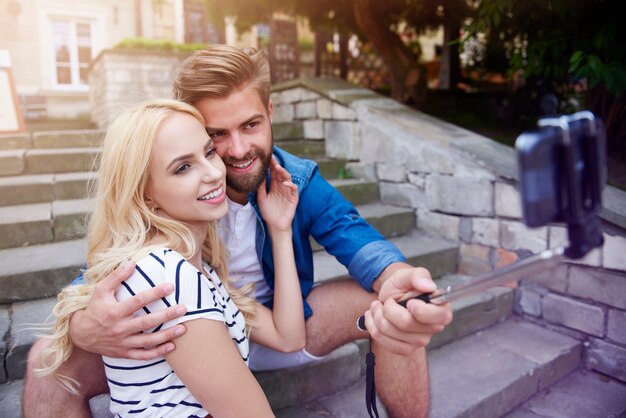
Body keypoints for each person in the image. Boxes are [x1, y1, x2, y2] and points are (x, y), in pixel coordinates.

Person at [23, 45, 453, 418]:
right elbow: (110, 268)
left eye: (250, 125)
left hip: (270, 320)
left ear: (269, 113)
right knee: (47, 359)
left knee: (397, 308)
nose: (237, 151)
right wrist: (83, 326)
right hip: (185, 335)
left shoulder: (295, 180)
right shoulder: (163, 217)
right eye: (216, 136)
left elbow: (353, 234)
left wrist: (397, 277)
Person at [31, 99, 306, 417]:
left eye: (208, 152)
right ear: (145, 193)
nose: (214, 173)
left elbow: (288, 337)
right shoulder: (165, 276)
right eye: (183, 167)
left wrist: (280, 229)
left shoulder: (191, 266)